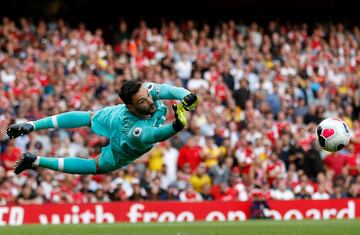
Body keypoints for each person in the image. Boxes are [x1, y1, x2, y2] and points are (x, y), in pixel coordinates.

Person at [7, 80, 199, 175]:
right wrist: (176, 126)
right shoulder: (132, 130)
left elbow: (171, 90)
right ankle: (36, 160)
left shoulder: (146, 91)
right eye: (143, 101)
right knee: (96, 166)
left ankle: (31, 126)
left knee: (88, 117)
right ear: (130, 106)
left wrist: (187, 95)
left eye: (148, 96)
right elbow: (155, 134)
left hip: (114, 114)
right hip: (123, 142)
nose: (150, 101)